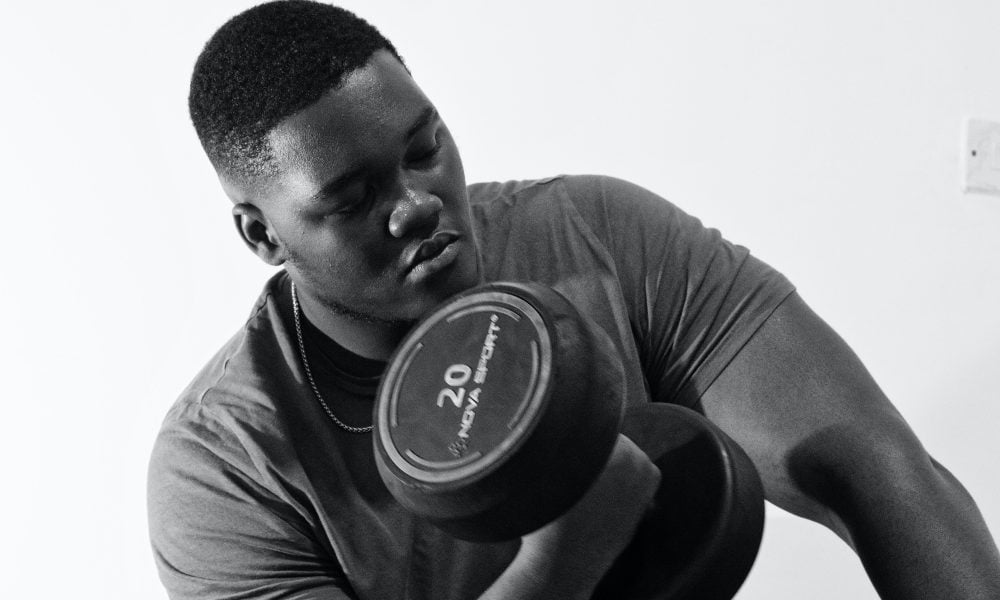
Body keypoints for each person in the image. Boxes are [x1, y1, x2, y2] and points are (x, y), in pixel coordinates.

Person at [147, 1, 1000, 598]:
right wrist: (561, 560)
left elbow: (872, 468)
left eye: (424, 148)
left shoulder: (597, 236)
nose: (417, 204)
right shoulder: (223, 468)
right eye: (353, 198)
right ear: (262, 235)